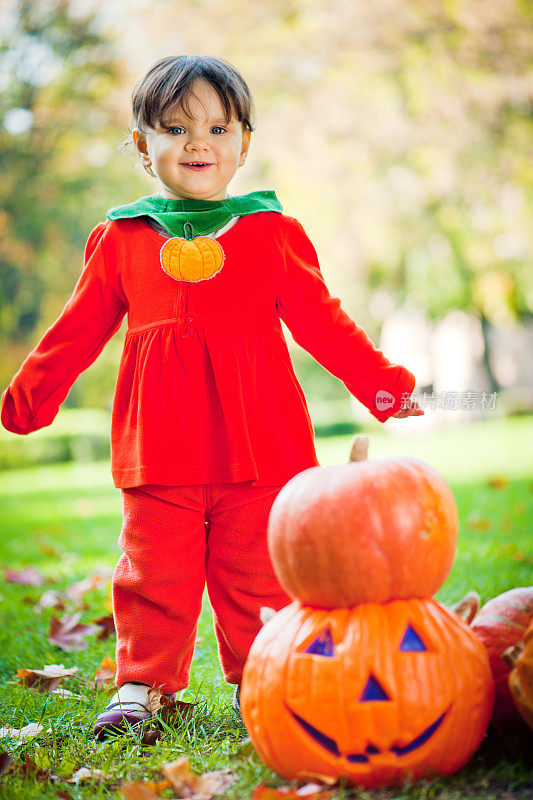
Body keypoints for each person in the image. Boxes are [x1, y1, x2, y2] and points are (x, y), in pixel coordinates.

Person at [1, 55, 423, 738]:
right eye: (175, 127)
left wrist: (383, 386)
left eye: (218, 127)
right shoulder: (121, 238)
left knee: (258, 579)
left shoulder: (271, 233)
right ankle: (141, 686)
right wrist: (26, 399)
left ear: (243, 144)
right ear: (143, 145)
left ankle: (263, 677)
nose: (199, 142)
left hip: (263, 448)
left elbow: (323, 322)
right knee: (152, 576)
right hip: (158, 450)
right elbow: (75, 331)